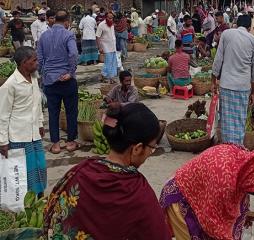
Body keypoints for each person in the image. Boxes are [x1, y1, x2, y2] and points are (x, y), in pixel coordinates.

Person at [43, 103, 171, 240]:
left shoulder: (79, 171)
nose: (149, 154)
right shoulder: (138, 193)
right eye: (151, 148)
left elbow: (52, 218)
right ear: (137, 149)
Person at [160, 144, 254, 240]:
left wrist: (244, 214)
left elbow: (241, 199)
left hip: (203, 190)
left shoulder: (243, 159)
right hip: (183, 196)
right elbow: (213, 224)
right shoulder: (224, 183)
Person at [0, 47, 47, 196]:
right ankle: (26, 203)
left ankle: (39, 198)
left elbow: (37, 103)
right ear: (23, 62)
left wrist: (40, 123)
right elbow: (3, 115)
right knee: (24, 173)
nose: (37, 63)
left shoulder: (34, 78)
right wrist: (3, 142)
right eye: (34, 60)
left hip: (34, 135)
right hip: (18, 137)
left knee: (39, 167)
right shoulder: (10, 85)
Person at [212, 15, 254, 145]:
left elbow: (218, 60)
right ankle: (236, 150)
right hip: (243, 87)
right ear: (249, 27)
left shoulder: (227, 34)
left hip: (226, 85)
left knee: (226, 121)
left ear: (236, 24)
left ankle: (226, 150)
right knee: (239, 122)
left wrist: (213, 82)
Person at [38, 10, 79, 154]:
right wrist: (71, 72)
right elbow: (73, 54)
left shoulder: (43, 36)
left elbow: (40, 59)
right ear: (67, 21)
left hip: (50, 81)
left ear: (54, 20)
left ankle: (55, 144)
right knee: (71, 112)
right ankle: (71, 142)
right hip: (67, 81)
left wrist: (45, 74)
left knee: (53, 113)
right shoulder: (68, 35)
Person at [96, 12, 118, 83]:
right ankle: (109, 78)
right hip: (106, 46)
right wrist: (100, 47)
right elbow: (98, 36)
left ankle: (105, 76)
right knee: (108, 62)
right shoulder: (101, 25)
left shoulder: (112, 25)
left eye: (112, 18)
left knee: (113, 62)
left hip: (113, 46)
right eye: (109, 18)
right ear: (106, 17)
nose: (111, 19)